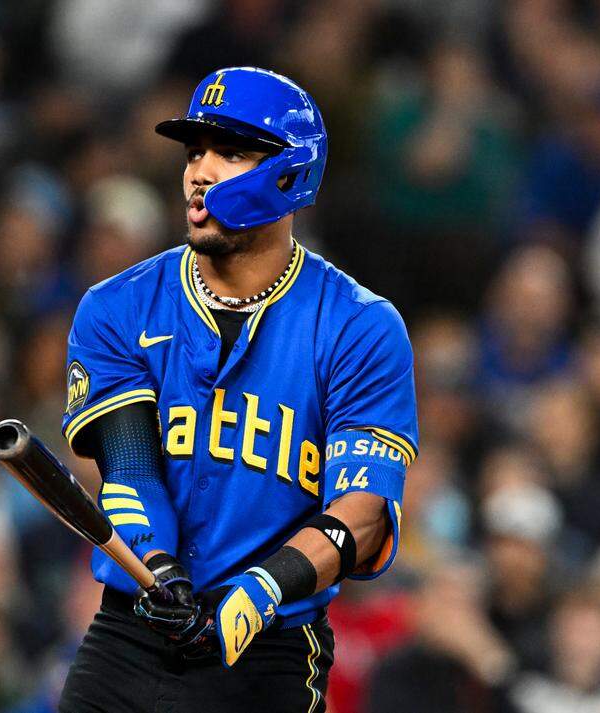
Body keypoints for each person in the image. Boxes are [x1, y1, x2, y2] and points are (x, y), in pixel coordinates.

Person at [57, 67, 418, 712]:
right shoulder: (117, 307)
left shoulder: (359, 326)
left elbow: (362, 515)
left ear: (289, 171)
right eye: (195, 151)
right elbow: (130, 469)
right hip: (134, 630)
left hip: (271, 648)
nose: (200, 171)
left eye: (231, 151)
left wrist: (256, 594)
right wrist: (161, 571)